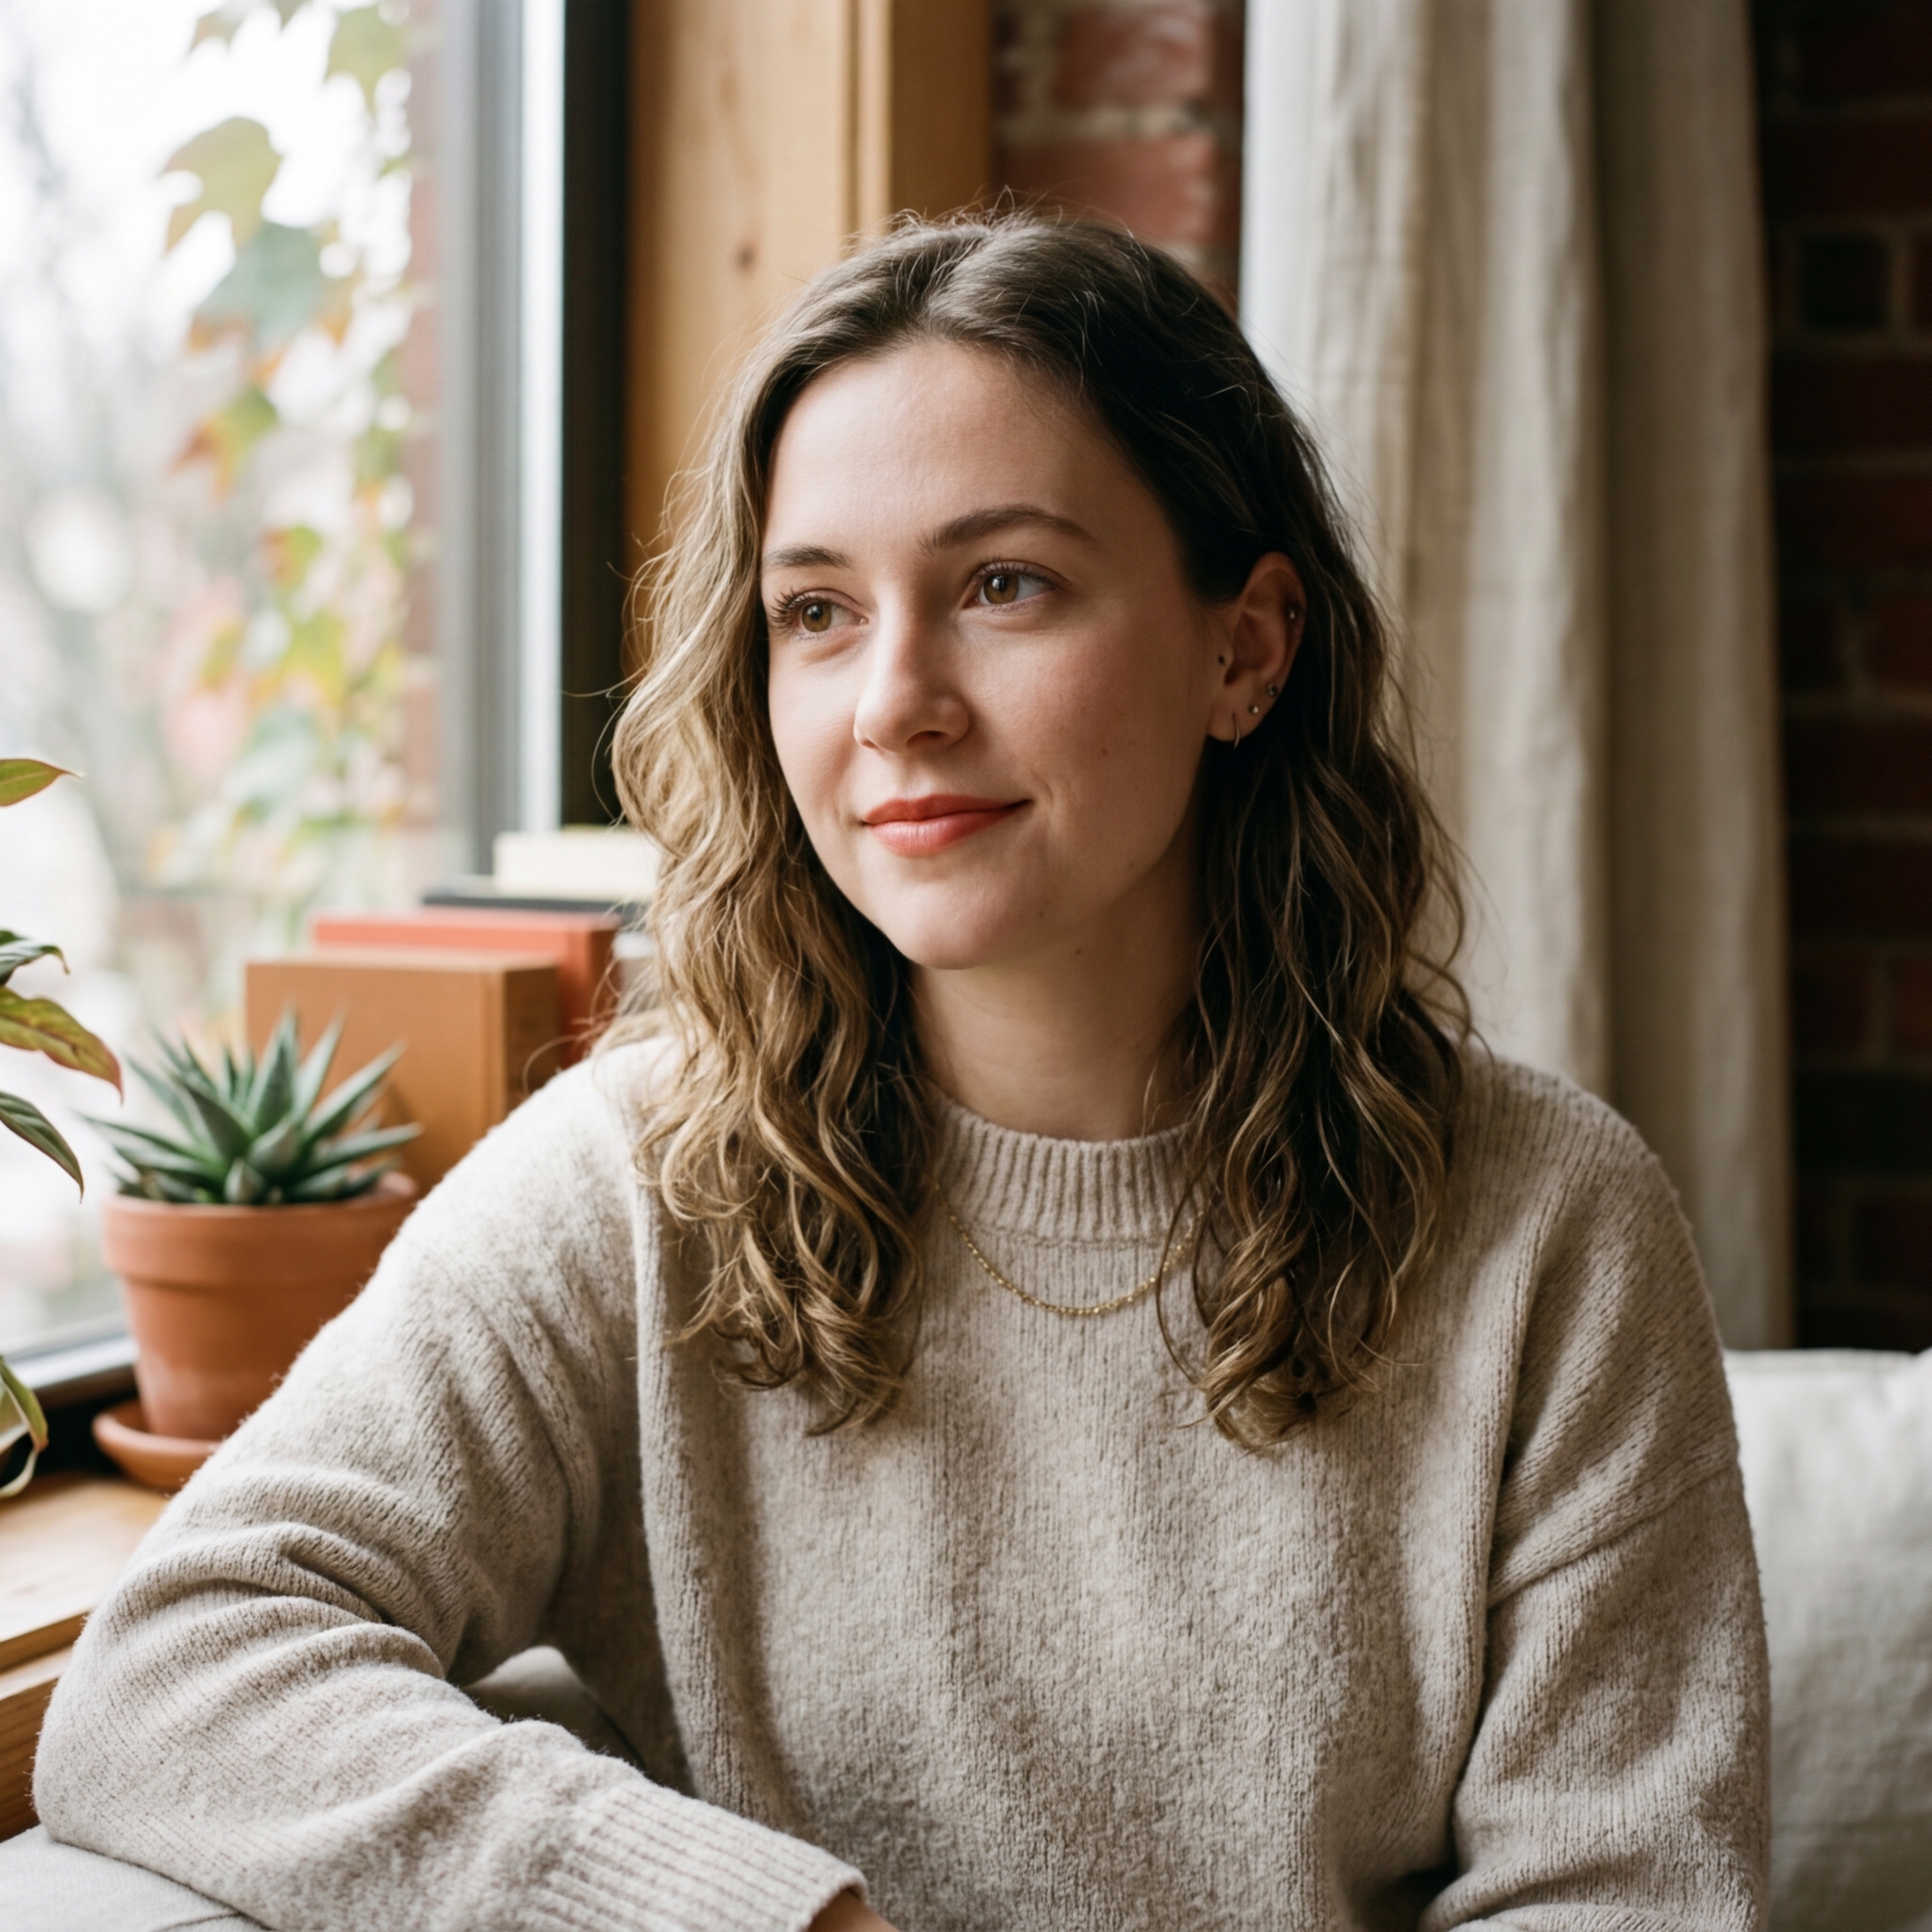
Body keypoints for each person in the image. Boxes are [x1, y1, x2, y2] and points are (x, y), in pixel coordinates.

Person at [23, 214, 1767, 1931]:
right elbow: (181, 1668)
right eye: (818, 612)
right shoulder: (638, 1182)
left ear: (1245, 647)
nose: (894, 702)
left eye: (1003, 586)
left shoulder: (1550, 1223)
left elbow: (1632, 1896)